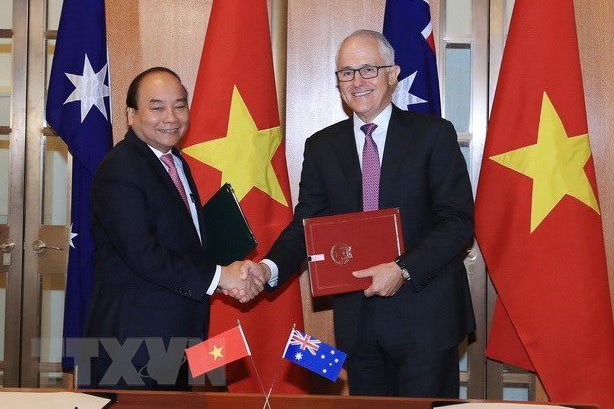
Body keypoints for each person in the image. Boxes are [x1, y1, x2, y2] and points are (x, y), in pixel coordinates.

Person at [250, 30, 476, 397]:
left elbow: (456, 222)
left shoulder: (433, 135)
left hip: (426, 316)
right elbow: (306, 226)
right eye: (346, 72)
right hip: (359, 324)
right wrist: (267, 268)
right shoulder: (322, 146)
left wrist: (402, 269)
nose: (357, 82)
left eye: (369, 69)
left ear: (393, 73)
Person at [84, 67, 263, 390]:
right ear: (130, 114)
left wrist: (228, 270)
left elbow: (183, 243)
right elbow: (144, 254)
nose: (171, 117)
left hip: (177, 340)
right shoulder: (120, 169)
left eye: (179, 105)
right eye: (157, 107)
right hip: (132, 346)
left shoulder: (175, 161)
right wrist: (221, 276)